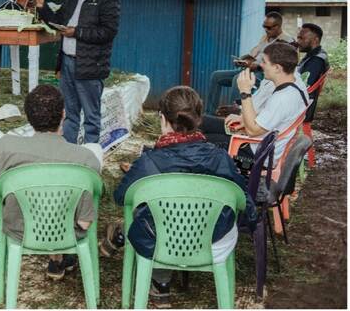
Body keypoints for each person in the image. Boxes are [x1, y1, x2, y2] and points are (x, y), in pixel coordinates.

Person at [110, 86, 257, 303]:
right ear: (199, 119)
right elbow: (245, 202)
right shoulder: (220, 158)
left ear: (162, 118)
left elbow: (121, 197)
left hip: (160, 242)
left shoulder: (148, 162)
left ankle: (160, 283)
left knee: (150, 219)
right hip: (213, 242)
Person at [0, 84, 102, 281]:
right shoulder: (86, 158)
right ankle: (60, 256)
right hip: (69, 233)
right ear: (64, 114)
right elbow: (86, 216)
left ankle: (58, 258)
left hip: (19, 231)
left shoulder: (5, 147)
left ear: (27, 116)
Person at [36, 0, 121, 144]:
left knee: (91, 117)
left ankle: (90, 159)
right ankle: (68, 154)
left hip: (90, 66)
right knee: (69, 114)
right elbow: (58, 21)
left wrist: (77, 32)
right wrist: (43, 8)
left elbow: (108, 32)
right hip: (67, 62)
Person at [202, 43, 309, 163]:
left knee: (198, 140)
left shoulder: (283, 98)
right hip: (259, 139)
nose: (261, 65)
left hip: (256, 153)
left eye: (264, 62)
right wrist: (242, 119)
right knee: (201, 121)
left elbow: (253, 131)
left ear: (277, 68)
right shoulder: (294, 84)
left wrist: (245, 92)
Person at [206, 12, 295, 115]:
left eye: (269, 27)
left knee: (239, 79)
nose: (266, 30)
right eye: (264, 26)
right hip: (251, 69)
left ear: (278, 26)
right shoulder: (265, 38)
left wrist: (257, 65)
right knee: (216, 76)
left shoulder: (286, 41)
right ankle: (210, 113)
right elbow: (253, 55)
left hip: (265, 73)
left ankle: (234, 116)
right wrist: (244, 61)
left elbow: (281, 64)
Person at [296, 23, 329, 88]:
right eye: (298, 38)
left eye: (301, 38)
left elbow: (303, 86)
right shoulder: (313, 55)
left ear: (315, 40)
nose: (298, 42)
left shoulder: (316, 60)